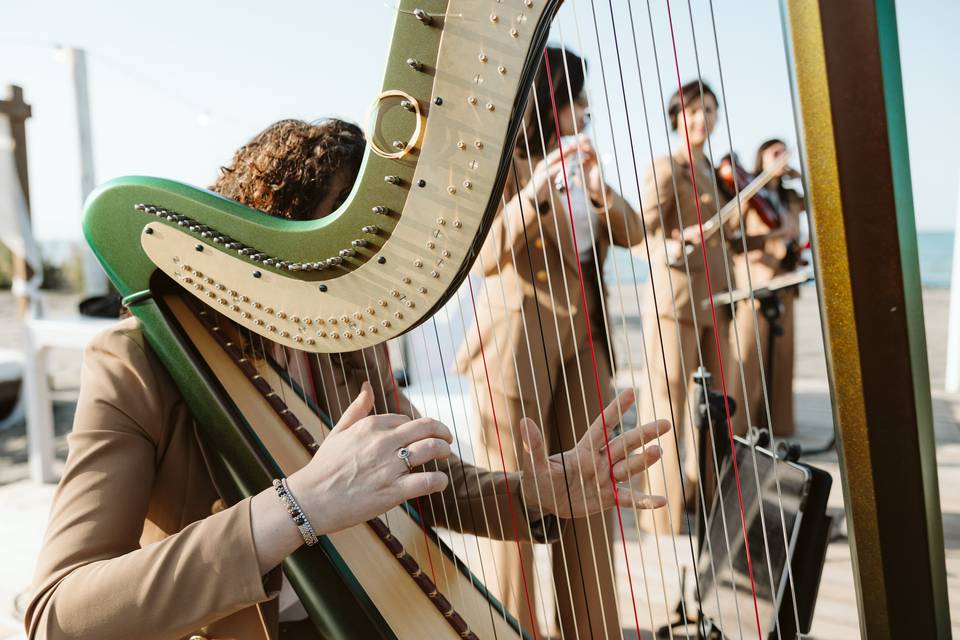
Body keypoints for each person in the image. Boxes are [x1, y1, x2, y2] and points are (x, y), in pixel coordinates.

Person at [25, 118, 670, 640]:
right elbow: (58, 613)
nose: (364, 270)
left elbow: (428, 482)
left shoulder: (344, 348)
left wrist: (537, 494)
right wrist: (296, 508)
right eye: (344, 241)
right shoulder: (134, 363)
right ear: (270, 228)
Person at [455, 47, 649, 639]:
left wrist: (594, 187)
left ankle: (593, 628)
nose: (587, 109)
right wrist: (535, 192)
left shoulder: (581, 163)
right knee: (517, 496)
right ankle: (513, 628)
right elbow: (484, 258)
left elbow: (635, 232)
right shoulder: (504, 164)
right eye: (576, 98)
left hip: (582, 338)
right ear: (551, 101)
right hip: (514, 344)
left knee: (591, 487)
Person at [634, 80, 745, 536]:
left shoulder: (712, 170)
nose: (703, 119)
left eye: (711, 111)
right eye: (695, 111)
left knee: (715, 406)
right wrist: (672, 246)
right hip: (673, 304)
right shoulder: (667, 166)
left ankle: (704, 497)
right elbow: (643, 234)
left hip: (714, 303)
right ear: (677, 117)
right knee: (668, 402)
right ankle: (661, 515)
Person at [729, 139, 805, 438]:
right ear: (760, 157)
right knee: (748, 356)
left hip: (787, 282)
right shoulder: (749, 194)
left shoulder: (790, 198)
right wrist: (768, 238)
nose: (781, 157)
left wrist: (800, 175)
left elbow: (823, 201)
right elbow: (732, 238)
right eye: (774, 152)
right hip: (755, 286)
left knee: (782, 358)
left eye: (784, 152)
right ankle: (739, 430)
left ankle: (778, 428)